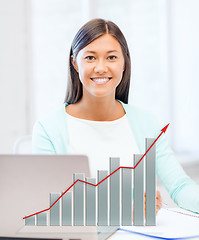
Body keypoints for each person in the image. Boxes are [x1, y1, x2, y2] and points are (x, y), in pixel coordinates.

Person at [32, 18, 199, 215]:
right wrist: (125, 207)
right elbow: (50, 205)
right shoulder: (48, 129)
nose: (101, 67)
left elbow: (180, 186)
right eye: (90, 58)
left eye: (111, 57)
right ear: (75, 63)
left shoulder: (146, 124)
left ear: (124, 64)